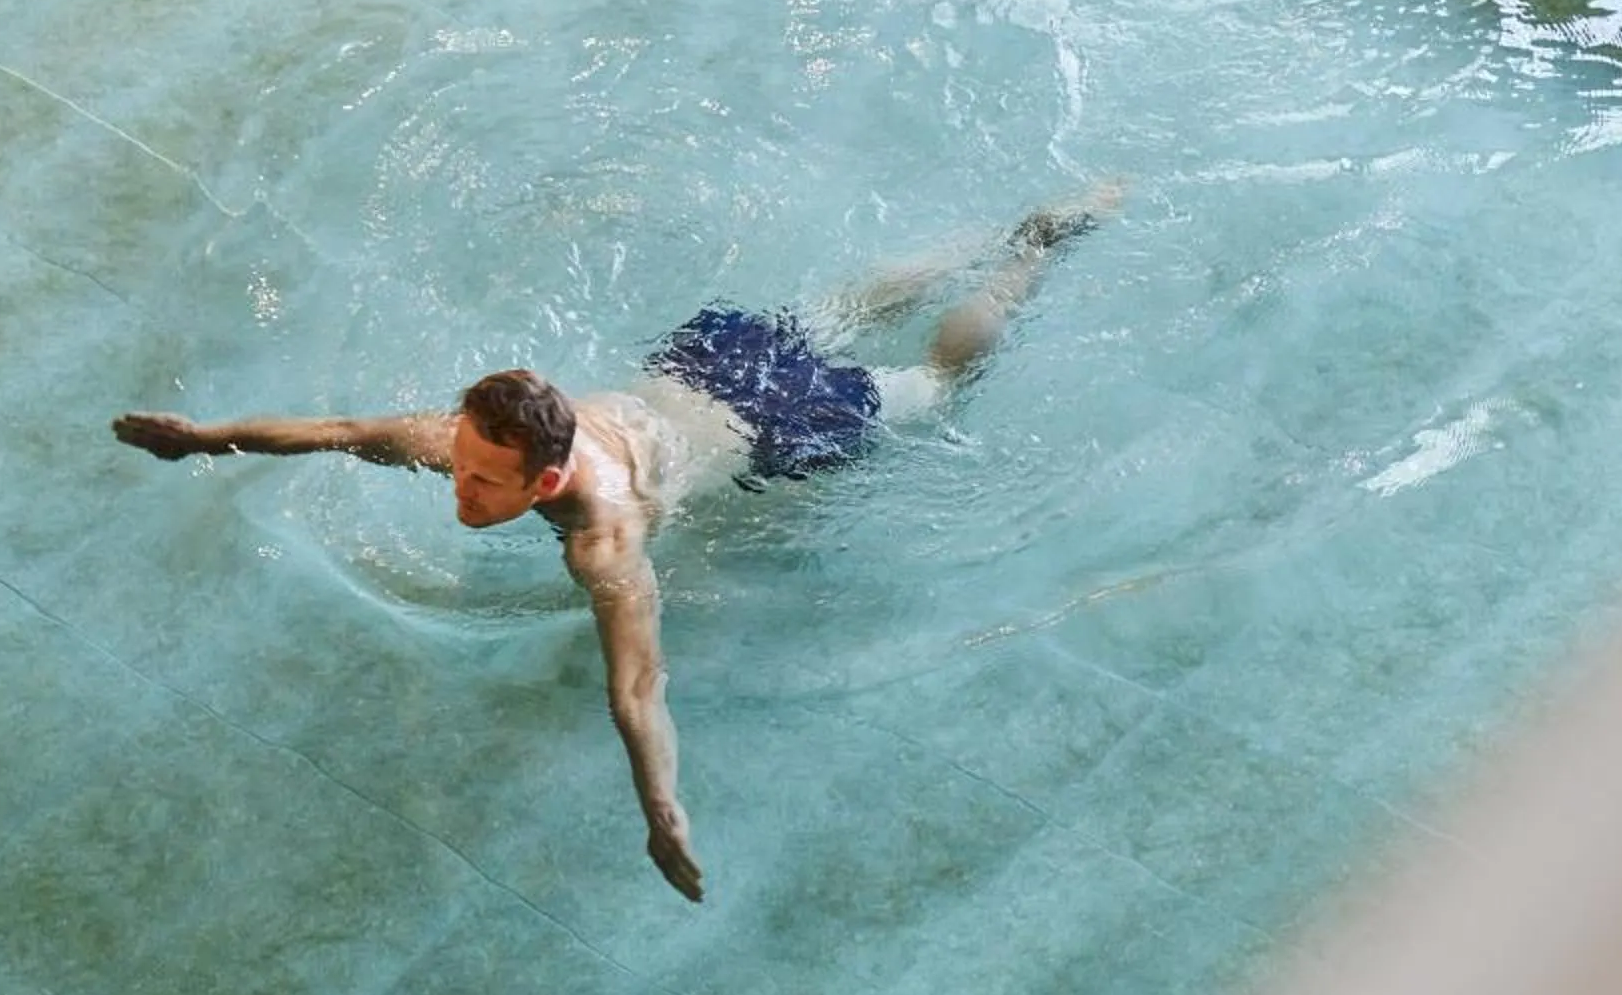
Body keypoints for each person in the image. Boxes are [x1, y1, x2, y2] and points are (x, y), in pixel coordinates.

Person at [110, 185, 1119, 902]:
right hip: (712, 363)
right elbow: (335, 433)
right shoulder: (470, 435)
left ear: (547, 481)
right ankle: (1001, 225)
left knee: (933, 385)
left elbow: (637, 687)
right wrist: (201, 436)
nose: (453, 486)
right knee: (847, 304)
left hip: (780, 424)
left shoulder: (606, 536)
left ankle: (1031, 246)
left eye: (478, 482)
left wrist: (661, 803)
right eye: (457, 463)